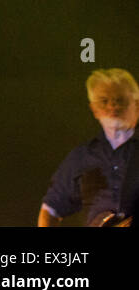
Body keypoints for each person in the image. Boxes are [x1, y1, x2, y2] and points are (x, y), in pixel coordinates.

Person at [38, 68, 137, 227]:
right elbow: (51, 209)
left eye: (120, 100)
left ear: (137, 105)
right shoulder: (81, 156)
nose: (113, 106)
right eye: (104, 101)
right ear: (94, 109)